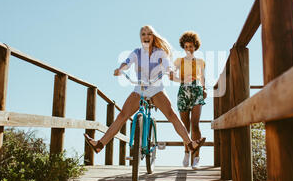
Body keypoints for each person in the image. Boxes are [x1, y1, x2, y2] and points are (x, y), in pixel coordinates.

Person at [84, 25, 206, 157]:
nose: (146, 36)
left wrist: (170, 71)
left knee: (171, 115)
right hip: (140, 89)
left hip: (156, 89)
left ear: (153, 37)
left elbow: (168, 65)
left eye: (149, 34)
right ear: (140, 37)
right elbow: (127, 62)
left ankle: (190, 144)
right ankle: (99, 144)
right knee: (122, 115)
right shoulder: (136, 53)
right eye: (143, 34)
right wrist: (120, 69)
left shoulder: (160, 52)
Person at [169, 31, 207, 169]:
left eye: (191, 46)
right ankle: (186, 151)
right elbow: (171, 76)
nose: (189, 48)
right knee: (185, 126)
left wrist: (205, 89)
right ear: (183, 47)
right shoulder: (179, 61)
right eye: (186, 46)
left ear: (195, 46)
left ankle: (196, 157)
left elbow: (203, 78)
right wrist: (181, 79)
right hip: (183, 91)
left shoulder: (201, 62)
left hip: (196, 91)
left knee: (195, 124)